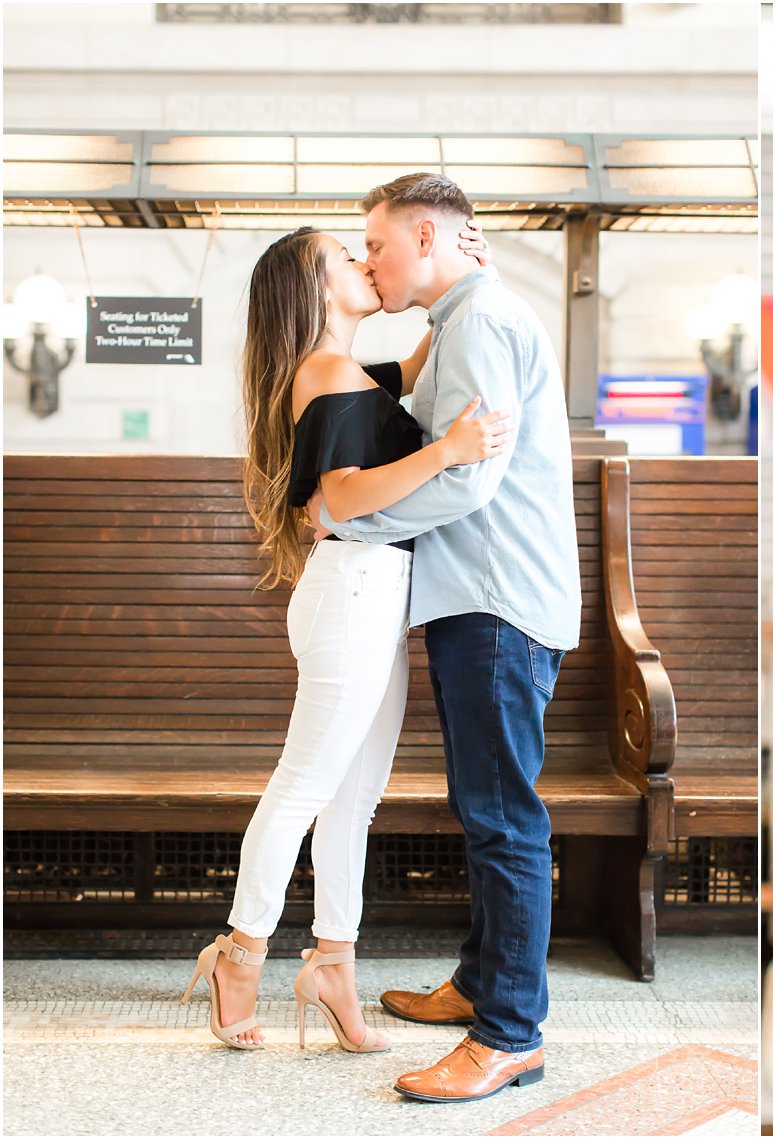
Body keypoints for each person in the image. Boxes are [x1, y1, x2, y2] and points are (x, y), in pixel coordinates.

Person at [182, 223, 507, 1052]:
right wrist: (448, 452)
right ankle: (241, 952)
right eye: (345, 258)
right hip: (354, 590)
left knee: (352, 802)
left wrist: (471, 269)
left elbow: (432, 356)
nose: (365, 263)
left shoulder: (349, 371)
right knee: (306, 787)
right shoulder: (324, 371)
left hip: (375, 598)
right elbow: (342, 495)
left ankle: (334, 963)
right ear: (313, 287)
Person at [310, 172, 581, 1103]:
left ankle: (510, 1033)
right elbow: (435, 435)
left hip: (496, 602)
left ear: (426, 235)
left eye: (377, 243)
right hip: (486, 596)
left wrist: (347, 525)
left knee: (504, 816)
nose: (371, 262)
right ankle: (480, 983)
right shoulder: (468, 314)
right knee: (486, 809)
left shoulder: (481, 321)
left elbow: (468, 480)